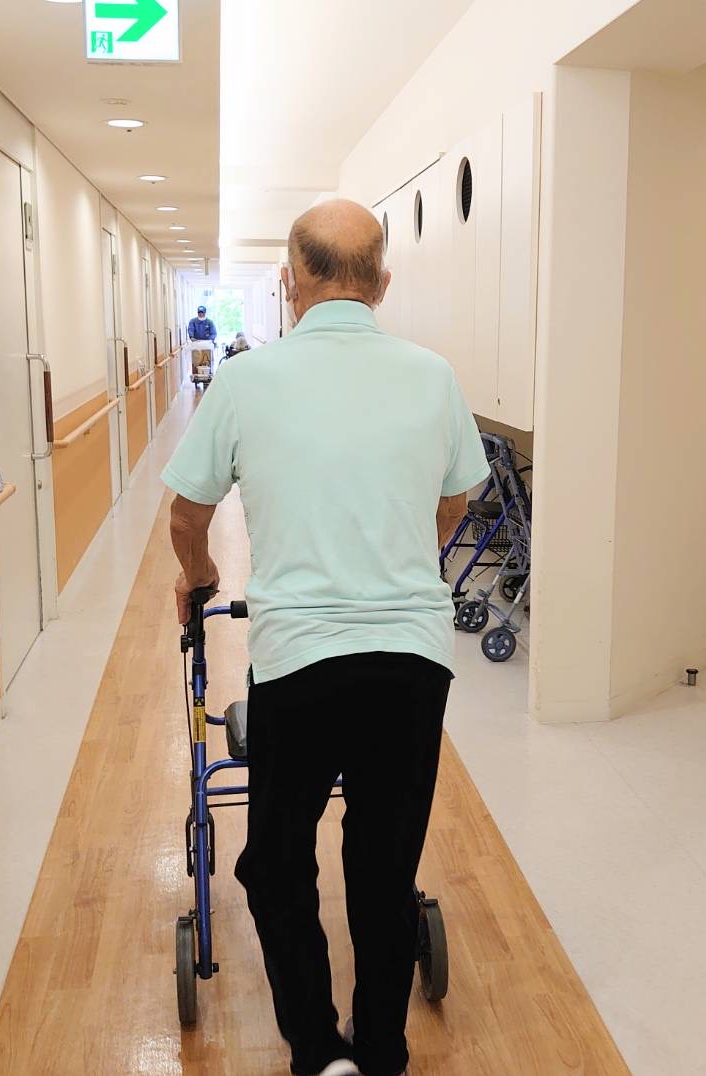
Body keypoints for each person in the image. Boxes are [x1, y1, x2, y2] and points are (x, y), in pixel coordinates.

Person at [162, 198, 487, 1076]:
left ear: (289, 283)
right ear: (382, 282)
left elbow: (187, 514)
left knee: (274, 866)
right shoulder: (433, 376)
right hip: (410, 665)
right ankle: (380, 1052)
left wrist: (198, 576)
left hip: (298, 666)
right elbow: (455, 499)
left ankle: (317, 1051)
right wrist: (400, 554)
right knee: (383, 867)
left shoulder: (245, 380)